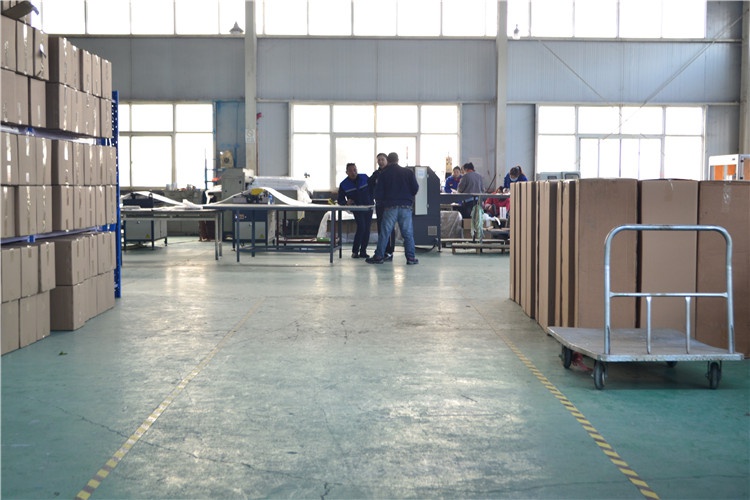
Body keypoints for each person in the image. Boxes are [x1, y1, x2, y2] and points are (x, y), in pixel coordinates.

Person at [366, 152, 420, 265]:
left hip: (390, 207)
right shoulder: (408, 172)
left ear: (388, 161)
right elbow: (415, 188)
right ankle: (411, 258)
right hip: (405, 207)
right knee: (408, 234)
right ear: (398, 160)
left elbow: (378, 192)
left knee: (385, 233)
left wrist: (383, 202)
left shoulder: (383, 174)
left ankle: (379, 256)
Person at [337, 162, 374, 259]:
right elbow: (340, 200)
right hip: (357, 209)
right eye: (350, 171)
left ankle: (363, 251)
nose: (353, 172)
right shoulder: (344, 184)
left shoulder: (364, 177)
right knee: (361, 227)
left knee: (367, 229)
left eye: (355, 170)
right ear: (346, 172)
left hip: (368, 207)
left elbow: (373, 188)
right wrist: (346, 202)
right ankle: (355, 251)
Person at [368, 153, 395, 261]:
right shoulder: (376, 174)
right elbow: (369, 184)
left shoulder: (391, 172)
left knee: (389, 228)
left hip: (390, 205)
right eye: (378, 160)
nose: (380, 162)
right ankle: (382, 250)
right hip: (379, 204)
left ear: (387, 160)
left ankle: (389, 251)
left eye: (382, 159)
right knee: (381, 228)